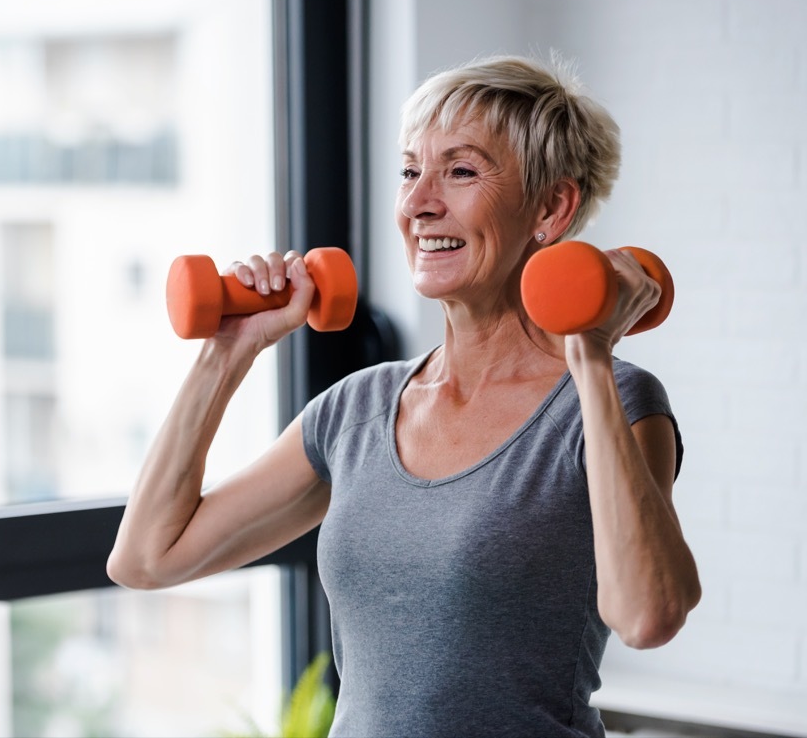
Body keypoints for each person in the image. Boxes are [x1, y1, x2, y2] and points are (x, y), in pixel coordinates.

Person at [107, 54, 701, 738]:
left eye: (461, 170)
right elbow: (146, 558)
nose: (420, 202)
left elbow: (648, 613)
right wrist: (227, 352)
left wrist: (590, 352)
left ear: (551, 207)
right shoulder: (356, 410)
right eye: (410, 170)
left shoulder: (614, 403)